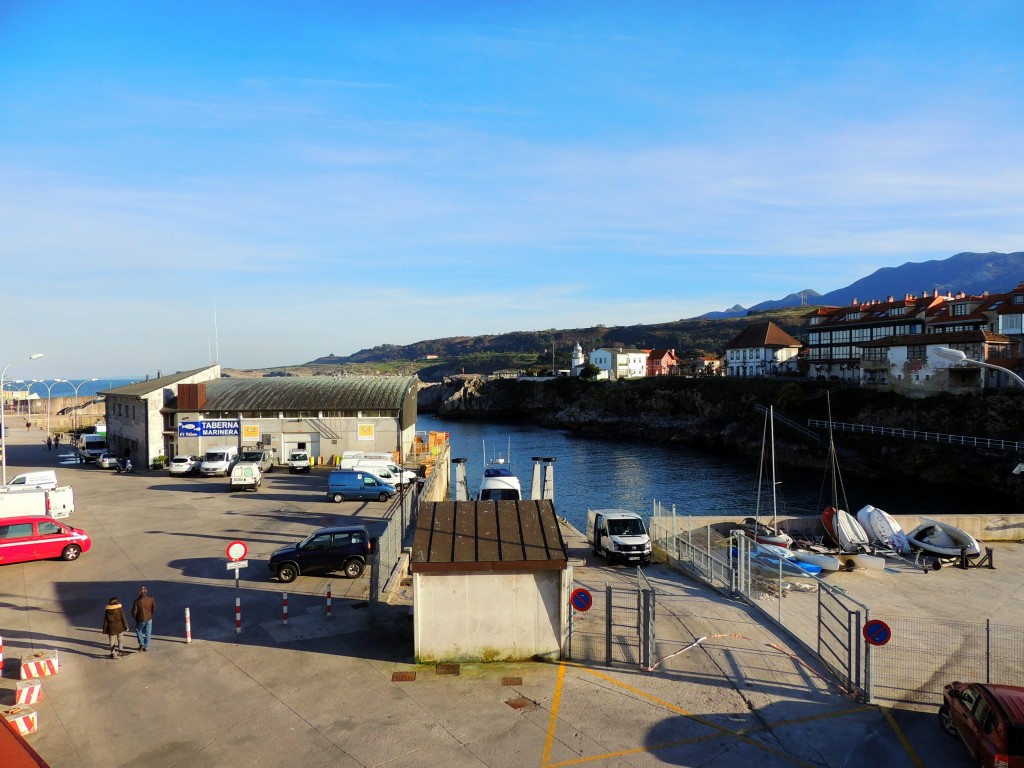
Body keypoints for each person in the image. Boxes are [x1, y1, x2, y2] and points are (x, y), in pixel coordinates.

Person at [132, 586, 156, 652]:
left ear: (140, 592)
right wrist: (150, 614)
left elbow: (134, 612)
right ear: (146, 591)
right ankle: (146, 647)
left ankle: (141, 643)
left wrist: (135, 617)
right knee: (148, 632)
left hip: (140, 619)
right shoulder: (151, 599)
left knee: (138, 630)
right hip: (149, 618)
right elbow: (154, 608)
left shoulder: (137, 601)